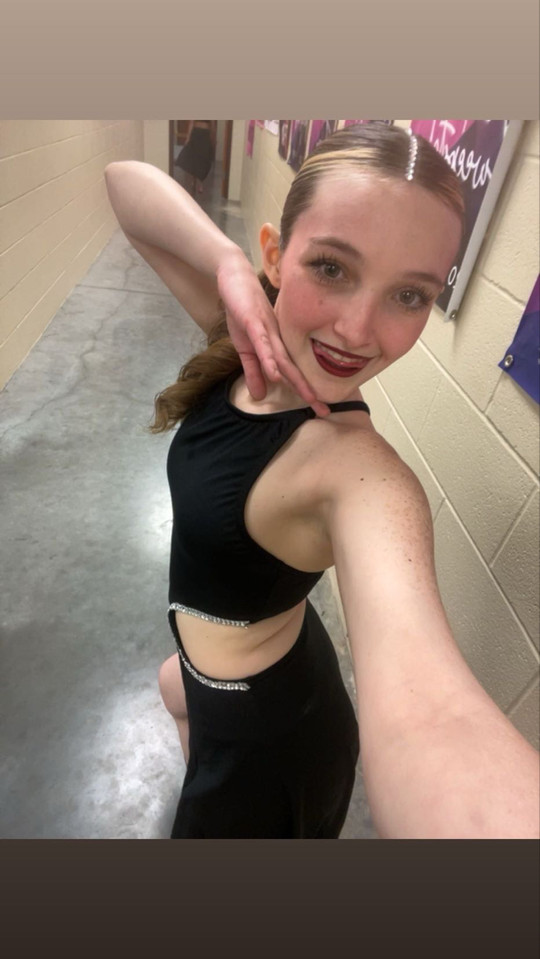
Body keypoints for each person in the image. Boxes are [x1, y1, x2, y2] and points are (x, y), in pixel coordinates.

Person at [105, 123, 539, 839]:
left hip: (273, 752)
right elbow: (124, 184)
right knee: (173, 685)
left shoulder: (361, 474)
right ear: (276, 254)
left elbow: (434, 718)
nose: (359, 330)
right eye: (332, 268)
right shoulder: (250, 341)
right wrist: (227, 264)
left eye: (410, 295)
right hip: (239, 679)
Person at [175, 120, 217, 196]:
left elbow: (213, 126)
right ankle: (193, 181)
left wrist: (213, 139)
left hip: (205, 134)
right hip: (196, 133)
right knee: (194, 157)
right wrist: (188, 138)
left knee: (203, 158)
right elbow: (191, 123)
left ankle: (201, 182)